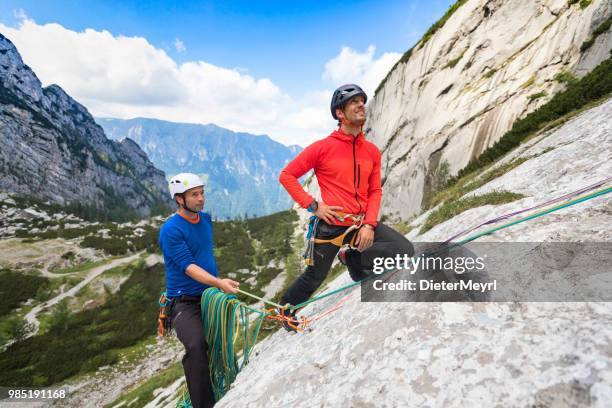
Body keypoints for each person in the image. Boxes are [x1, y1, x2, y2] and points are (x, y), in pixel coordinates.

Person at [278, 84, 414, 331]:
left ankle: (353, 258)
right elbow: (287, 175)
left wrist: (370, 225)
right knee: (314, 277)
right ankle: (284, 310)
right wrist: (313, 205)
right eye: (354, 102)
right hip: (329, 226)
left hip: (359, 223)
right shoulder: (322, 148)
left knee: (404, 250)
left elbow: (375, 191)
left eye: (363, 100)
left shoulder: (371, 151)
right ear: (340, 113)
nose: (362, 104)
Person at [158, 173, 240, 408]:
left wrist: (216, 285)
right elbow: (190, 267)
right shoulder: (170, 230)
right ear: (179, 199)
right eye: (194, 195)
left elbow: (204, 254)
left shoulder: (206, 220)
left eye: (202, 193)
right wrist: (218, 283)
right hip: (183, 301)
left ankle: (223, 381)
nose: (201, 198)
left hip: (209, 295)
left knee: (219, 341)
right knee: (195, 345)